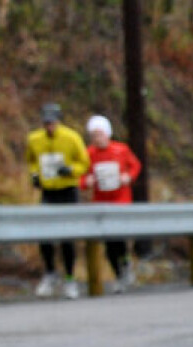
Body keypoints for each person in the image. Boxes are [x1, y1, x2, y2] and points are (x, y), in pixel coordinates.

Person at [25, 102, 90, 299]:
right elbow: (31, 161)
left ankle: (70, 279)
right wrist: (34, 175)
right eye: (46, 123)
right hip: (48, 192)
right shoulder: (34, 139)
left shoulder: (71, 137)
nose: (49, 127)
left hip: (68, 191)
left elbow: (85, 162)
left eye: (52, 123)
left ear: (58, 121)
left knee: (67, 238)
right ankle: (50, 273)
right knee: (44, 235)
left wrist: (70, 170)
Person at [82, 114, 141, 292]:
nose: (97, 139)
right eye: (94, 135)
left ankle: (126, 265)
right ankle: (118, 275)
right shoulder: (89, 154)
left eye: (100, 134)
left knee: (120, 239)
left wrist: (128, 178)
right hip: (101, 202)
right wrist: (87, 182)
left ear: (107, 133)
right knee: (109, 244)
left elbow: (135, 166)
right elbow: (81, 176)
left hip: (121, 200)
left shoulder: (120, 149)